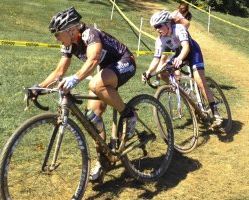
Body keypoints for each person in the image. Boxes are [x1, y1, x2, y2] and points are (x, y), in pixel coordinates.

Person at [34, 7, 137, 181]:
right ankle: (103, 160)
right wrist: (38, 88)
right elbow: (59, 71)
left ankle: (128, 114)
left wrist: (75, 78)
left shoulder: (90, 34)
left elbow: (94, 58)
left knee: (96, 84)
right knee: (92, 119)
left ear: (71, 30)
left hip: (125, 61)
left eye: (58, 34)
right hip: (107, 70)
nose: (56, 38)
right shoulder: (68, 45)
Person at [142, 10, 222, 126]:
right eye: (155, 27)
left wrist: (179, 58)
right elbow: (156, 59)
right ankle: (185, 90)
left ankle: (215, 112)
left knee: (199, 81)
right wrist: (148, 72)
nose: (157, 29)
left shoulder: (179, 28)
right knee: (161, 73)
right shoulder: (160, 40)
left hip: (193, 53)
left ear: (168, 23)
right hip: (179, 55)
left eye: (159, 26)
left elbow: (186, 47)